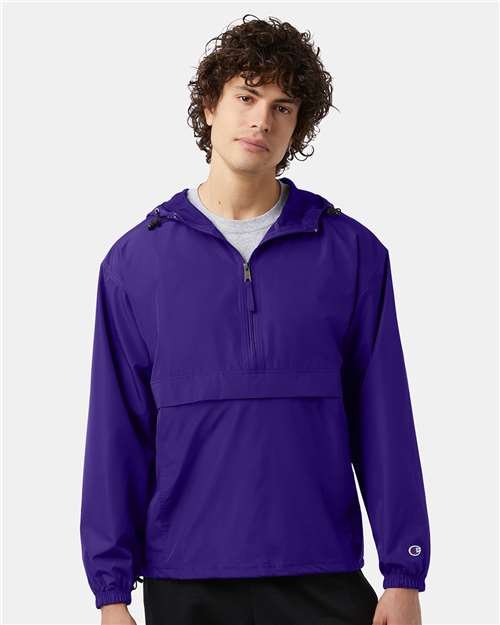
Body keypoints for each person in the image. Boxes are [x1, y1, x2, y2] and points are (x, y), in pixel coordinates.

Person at [79, 14, 430, 625]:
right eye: (246, 96)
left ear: (297, 127)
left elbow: (384, 417)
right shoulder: (135, 263)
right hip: (186, 580)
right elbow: (116, 433)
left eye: (282, 107)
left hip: (320, 572)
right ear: (209, 107)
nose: (262, 120)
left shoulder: (352, 254)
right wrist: (111, 594)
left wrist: (404, 572)